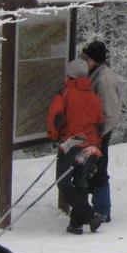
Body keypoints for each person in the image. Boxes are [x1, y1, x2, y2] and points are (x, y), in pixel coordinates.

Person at [46, 59, 105, 234]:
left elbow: (54, 118)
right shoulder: (93, 97)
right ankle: (75, 224)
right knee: (81, 181)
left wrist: (55, 137)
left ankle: (89, 215)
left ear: (70, 75)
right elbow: (100, 124)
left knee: (63, 181)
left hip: (72, 144)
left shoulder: (65, 94)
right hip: (91, 145)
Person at [81, 40, 121, 223]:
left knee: (99, 169)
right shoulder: (95, 73)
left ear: (94, 60)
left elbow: (111, 113)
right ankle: (93, 207)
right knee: (91, 168)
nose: (83, 61)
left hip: (99, 133)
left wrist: (99, 135)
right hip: (91, 131)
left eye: (86, 58)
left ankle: (102, 209)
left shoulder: (104, 80)